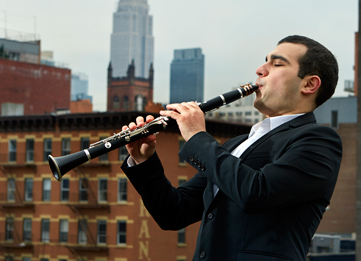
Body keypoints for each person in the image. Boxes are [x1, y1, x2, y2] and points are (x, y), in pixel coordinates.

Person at [121, 35, 342, 261]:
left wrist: (197, 136)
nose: (260, 70)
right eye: (265, 61)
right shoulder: (236, 144)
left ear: (309, 84)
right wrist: (143, 160)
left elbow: (256, 193)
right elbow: (174, 213)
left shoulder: (319, 140)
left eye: (276, 64)